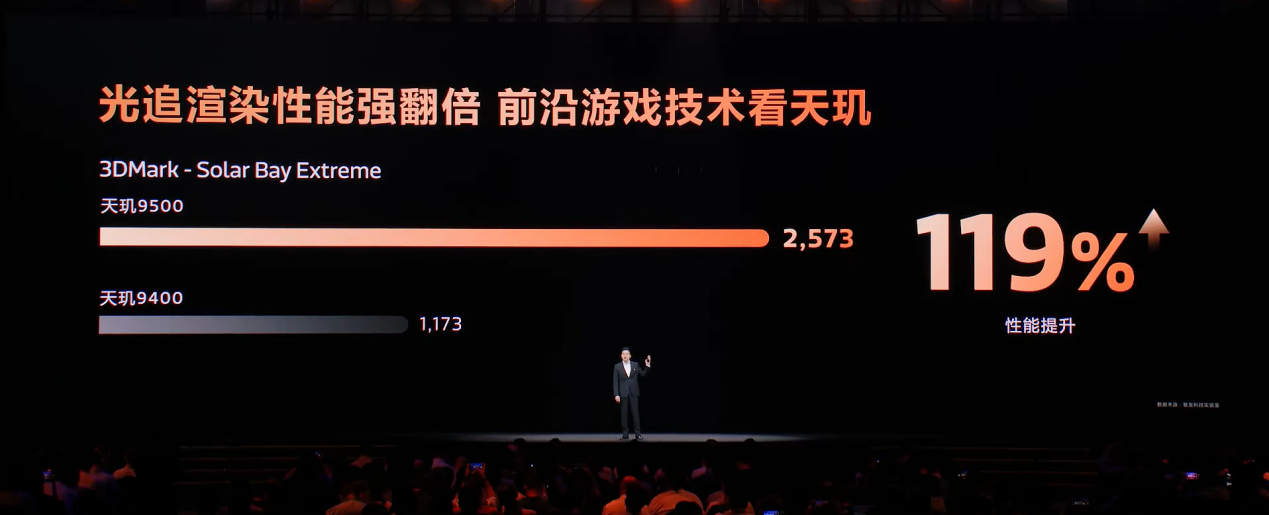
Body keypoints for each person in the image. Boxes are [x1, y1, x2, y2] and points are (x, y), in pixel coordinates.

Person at [612, 348, 652, 441]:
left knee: (635, 414)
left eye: (627, 354)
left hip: (634, 392)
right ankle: (625, 434)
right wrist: (616, 394)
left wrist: (647, 366)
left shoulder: (635, 365)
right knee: (624, 414)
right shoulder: (617, 367)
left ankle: (638, 434)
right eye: (623, 354)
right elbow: (615, 381)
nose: (625, 355)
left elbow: (642, 374)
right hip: (623, 393)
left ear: (630, 356)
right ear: (621, 356)